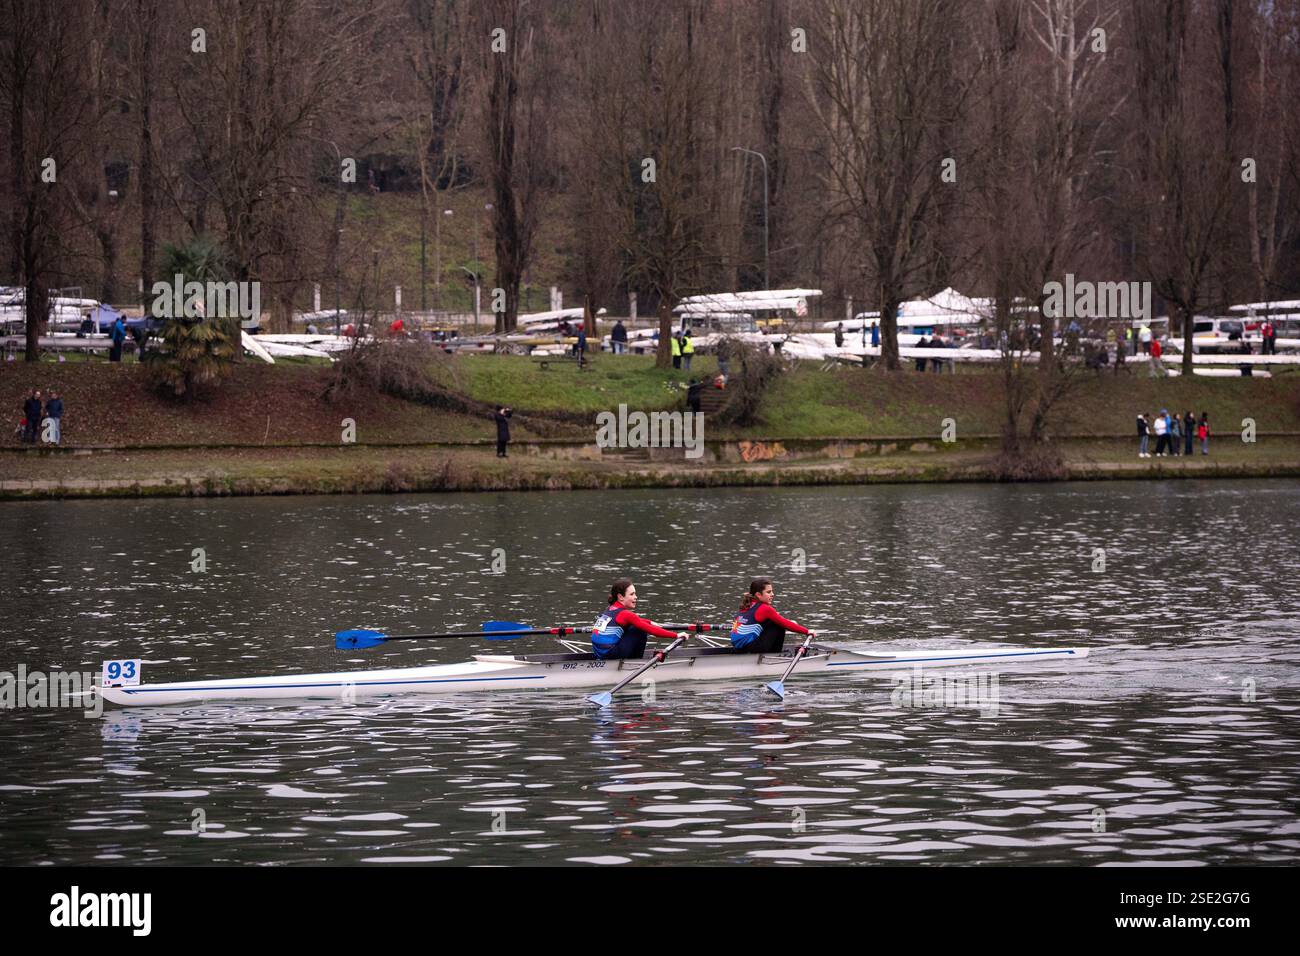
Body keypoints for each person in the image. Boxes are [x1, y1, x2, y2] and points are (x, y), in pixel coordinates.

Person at [591, 579, 685, 660]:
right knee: (639, 629)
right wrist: (677, 635)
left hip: (599, 653)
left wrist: (649, 622)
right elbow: (651, 630)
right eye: (632, 594)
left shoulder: (609, 609)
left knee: (633, 626)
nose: (636, 597)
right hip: (610, 654)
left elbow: (635, 621)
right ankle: (636, 662)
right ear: (620, 597)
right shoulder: (626, 614)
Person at [729, 578, 815, 654]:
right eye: (768, 592)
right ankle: (775, 654)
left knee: (770, 622)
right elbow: (785, 623)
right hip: (751, 648)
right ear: (758, 594)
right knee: (778, 625)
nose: (772, 594)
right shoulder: (765, 608)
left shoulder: (745, 605)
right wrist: (807, 631)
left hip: (737, 648)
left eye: (772, 591)